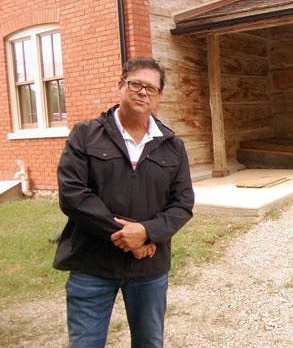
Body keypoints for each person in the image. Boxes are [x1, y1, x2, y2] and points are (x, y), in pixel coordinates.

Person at [53, 57, 195, 347]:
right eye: (136, 84)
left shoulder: (172, 144)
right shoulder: (85, 134)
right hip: (91, 263)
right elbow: (72, 194)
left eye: (151, 88)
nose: (143, 92)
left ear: (159, 96)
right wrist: (128, 236)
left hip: (149, 269)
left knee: (149, 343)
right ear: (121, 85)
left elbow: (182, 203)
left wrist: (147, 233)